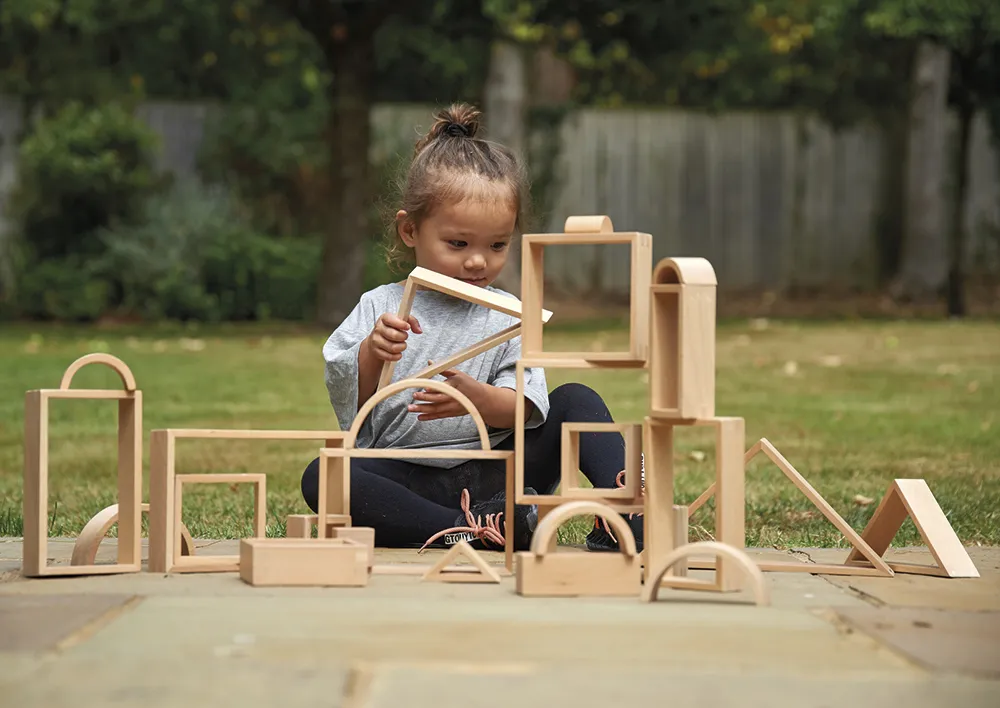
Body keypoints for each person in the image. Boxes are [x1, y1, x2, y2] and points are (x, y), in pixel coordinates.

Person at [300, 103, 643, 554]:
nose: (478, 261)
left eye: (498, 244)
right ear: (410, 230)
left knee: (576, 398)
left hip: (499, 469)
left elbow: (525, 408)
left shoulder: (509, 313)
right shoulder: (379, 305)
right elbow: (352, 401)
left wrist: (473, 400)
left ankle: (627, 511)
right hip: (410, 475)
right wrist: (371, 352)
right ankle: (467, 528)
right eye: (457, 243)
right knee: (325, 476)